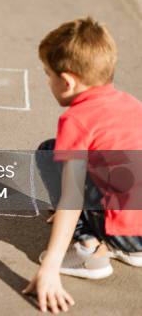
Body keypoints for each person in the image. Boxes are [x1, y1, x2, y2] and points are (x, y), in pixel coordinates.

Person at [24, 17, 142, 313]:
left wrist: (50, 266)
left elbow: (71, 196)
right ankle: (129, 246)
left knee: (49, 153)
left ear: (67, 81)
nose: (48, 81)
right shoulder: (131, 103)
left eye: (48, 74)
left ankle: (90, 248)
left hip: (126, 230)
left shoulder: (77, 119)